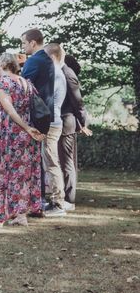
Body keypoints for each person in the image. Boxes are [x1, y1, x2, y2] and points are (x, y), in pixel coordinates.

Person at [0, 53, 45, 227]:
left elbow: (10, 110)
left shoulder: (3, 83)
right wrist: (30, 128)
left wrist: (25, 127)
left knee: (3, 173)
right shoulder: (26, 83)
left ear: (2, 65)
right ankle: (21, 215)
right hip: (28, 136)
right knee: (23, 174)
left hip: (12, 133)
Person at [21, 28, 54, 206]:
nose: (23, 47)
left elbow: (22, 86)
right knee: (39, 158)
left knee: (34, 159)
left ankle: (36, 198)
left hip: (35, 115)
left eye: (24, 43)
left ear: (33, 43)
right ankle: (38, 197)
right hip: (46, 113)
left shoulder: (33, 60)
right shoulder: (47, 59)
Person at [59, 54, 91, 207]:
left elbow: (78, 104)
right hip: (65, 121)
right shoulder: (62, 73)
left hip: (67, 122)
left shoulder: (68, 74)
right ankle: (63, 195)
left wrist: (83, 123)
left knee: (67, 162)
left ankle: (68, 198)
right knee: (64, 161)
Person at [43, 43, 69, 217]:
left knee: (52, 162)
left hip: (52, 123)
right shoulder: (56, 74)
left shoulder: (55, 75)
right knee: (49, 161)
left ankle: (58, 202)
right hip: (54, 121)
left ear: (52, 57)